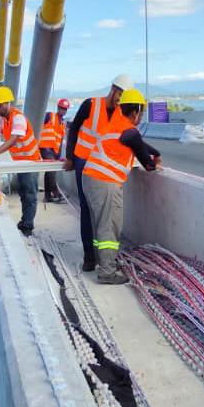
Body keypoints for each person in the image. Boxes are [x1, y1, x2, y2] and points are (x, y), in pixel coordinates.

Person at [80, 88, 161, 284]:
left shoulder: (116, 124)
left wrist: (155, 151)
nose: (141, 116)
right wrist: (155, 160)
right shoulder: (130, 131)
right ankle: (107, 272)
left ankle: (102, 262)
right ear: (136, 111)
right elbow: (148, 164)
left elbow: (138, 143)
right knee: (109, 227)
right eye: (141, 112)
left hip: (91, 178)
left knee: (100, 225)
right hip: (105, 182)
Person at [63, 74, 133, 270]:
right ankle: (89, 257)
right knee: (87, 208)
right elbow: (74, 129)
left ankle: (102, 255)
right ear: (113, 89)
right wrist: (70, 157)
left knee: (103, 211)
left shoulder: (121, 112)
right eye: (120, 94)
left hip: (103, 165)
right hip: (83, 161)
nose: (120, 99)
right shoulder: (90, 105)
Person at [0, 86, 41, 236]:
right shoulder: (2, 121)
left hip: (31, 162)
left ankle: (27, 226)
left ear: (8, 103)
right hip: (19, 163)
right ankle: (24, 221)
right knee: (23, 192)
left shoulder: (18, 118)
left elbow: (12, 140)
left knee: (29, 194)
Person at [39, 98, 70, 202]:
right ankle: (56, 192)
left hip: (54, 151)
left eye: (65, 109)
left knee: (49, 171)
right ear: (58, 107)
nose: (63, 110)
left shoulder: (63, 124)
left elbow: (60, 140)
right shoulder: (49, 116)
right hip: (46, 148)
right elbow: (37, 122)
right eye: (61, 108)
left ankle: (47, 196)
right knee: (51, 171)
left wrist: (59, 155)